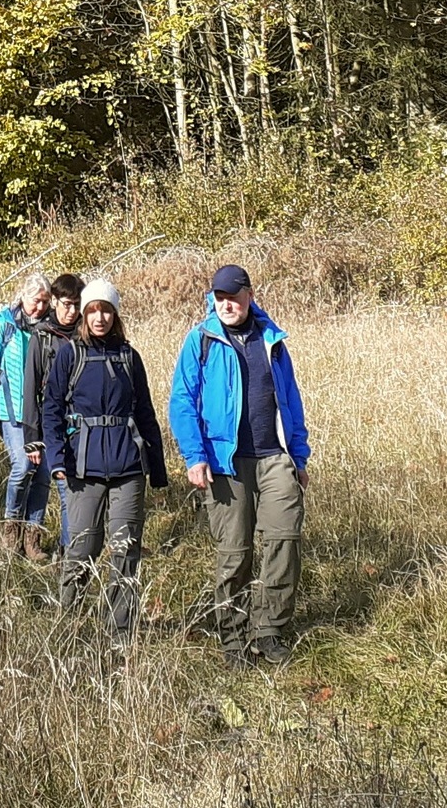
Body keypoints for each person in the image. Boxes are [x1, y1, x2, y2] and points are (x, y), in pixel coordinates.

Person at [168, 263, 311, 671]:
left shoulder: (273, 340)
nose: (226, 303)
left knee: (285, 540)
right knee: (235, 553)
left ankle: (269, 631)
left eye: (233, 295)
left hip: (275, 457)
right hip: (225, 463)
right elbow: (182, 402)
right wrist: (195, 457)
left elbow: (291, 401)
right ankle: (233, 637)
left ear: (250, 294)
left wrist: (298, 457)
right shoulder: (201, 341)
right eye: (219, 297)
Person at [45, 279, 167, 647]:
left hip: (129, 465)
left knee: (126, 549)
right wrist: (56, 457)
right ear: (84, 313)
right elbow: (51, 407)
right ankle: (67, 626)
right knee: (82, 548)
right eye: (93, 310)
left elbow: (145, 412)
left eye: (106, 310)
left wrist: (157, 468)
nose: (100, 317)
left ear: (115, 313)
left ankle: (120, 633)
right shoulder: (70, 354)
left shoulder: (130, 357)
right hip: (83, 467)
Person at [0, 274, 54, 561]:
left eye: (45, 302)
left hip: (44, 412)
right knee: (23, 466)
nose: (40, 307)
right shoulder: (4, 325)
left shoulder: (50, 328)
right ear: (23, 297)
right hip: (11, 411)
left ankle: (33, 538)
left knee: (43, 472)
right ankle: (11, 530)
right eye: (36, 301)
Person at [22, 273, 86, 554]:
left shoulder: (88, 334)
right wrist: (32, 437)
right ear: (55, 302)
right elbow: (31, 387)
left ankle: (70, 550)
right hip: (53, 425)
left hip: (85, 426)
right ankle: (65, 552)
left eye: (76, 305)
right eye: (66, 304)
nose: (71, 311)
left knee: (79, 492)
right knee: (64, 491)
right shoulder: (42, 336)